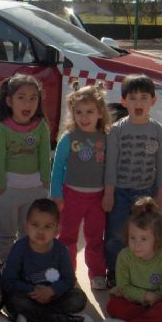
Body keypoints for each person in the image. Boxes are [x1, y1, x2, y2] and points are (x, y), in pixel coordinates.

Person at [103, 74, 162, 287]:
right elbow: (111, 164)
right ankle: (114, 270)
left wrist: (161, 192)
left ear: (153, 101)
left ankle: (142, 270)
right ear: (123, 101)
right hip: (120, 191)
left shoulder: (158, 130)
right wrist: (109, 193)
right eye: (132, 98)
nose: (138, 103)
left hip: (146, 192)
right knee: (115, 233)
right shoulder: (117, 130)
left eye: (143, 98)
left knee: (145, 232)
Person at [50, 84, 111, 291]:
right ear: (72, 113)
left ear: (100, 112)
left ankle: (96, 273)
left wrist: (109, 194)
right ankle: (68, 275)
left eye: (90, 112)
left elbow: (110, 169)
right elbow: (57, 167)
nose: (84, 117)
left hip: (97, 198)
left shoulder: (106, 138)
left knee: (95, 238)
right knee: (67, 237)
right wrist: (56, 195)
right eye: (79, 112)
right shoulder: (68, 138)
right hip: (71, 196)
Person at [2, 199, 93, 322]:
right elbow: (8, 281)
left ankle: (32, 319)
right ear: (26, 227)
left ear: (57, 230)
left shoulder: (61, 250)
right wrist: (34, 290)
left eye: (47, 226)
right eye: (35, 225)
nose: (40, 231)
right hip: (28, 296)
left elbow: (69, 280)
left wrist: (51, 291)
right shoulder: (19, 248)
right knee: (13, 301)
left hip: (53, 297)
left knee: (78, 298)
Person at [99, 197, 162, 322]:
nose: (137, 244)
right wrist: (144, 296)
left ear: (157, 239)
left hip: (155, 303)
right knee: (113, 306)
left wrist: (153, 299)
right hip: (130, 301)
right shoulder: (124, 256)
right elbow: (123, 287)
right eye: (133, 238)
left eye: (144, 239)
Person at [0, 75, 51, 263]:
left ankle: (26, 264)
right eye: (21, 97)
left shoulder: (41, 126)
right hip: (8, 190)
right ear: (9, 101)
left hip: (35, 188)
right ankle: (6, 264)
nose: (28, 103)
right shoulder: (2, 128)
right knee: (5, 232)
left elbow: (44, 154)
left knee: (29, 231)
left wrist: (46, 180)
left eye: (33, 98)